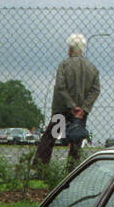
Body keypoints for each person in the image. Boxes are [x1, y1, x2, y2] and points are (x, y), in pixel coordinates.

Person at [33, 32, 99, 166]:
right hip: (80, 114)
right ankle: (72, 169)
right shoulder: (92, 68)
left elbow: (60, 86)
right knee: (76, 141)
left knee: (50, 138)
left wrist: (71, 105)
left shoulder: (64, 65)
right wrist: (83, 108)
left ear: (70, 49)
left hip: (62, 109)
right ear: (82, 49)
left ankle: (41, 167)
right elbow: (95, 90)